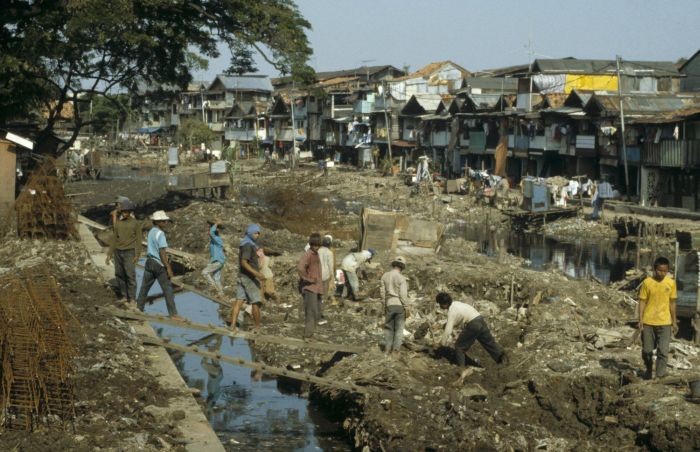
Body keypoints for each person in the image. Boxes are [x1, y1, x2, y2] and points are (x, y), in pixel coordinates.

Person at [435, 292, 507, 367]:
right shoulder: (457, 304)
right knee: (489, 343)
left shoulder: (451, 311)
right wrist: (443, 326)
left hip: (473, 325)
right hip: (480, 320)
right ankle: (502, 360)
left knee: (459, 347)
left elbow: (448, 331)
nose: (440, 306)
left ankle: (461, 368)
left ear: (444, 304)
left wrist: (441, 344)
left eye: (440, 304)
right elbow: (456, 321)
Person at [136, 210, 181, 319]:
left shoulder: (151, 231)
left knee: (144, 288)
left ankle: (139, 308)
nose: (165, 223)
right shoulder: (161, 234)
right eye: (164, 221)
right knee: (168, 289)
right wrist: (168, 267)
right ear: (158, 222)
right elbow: (162, 252)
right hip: (158, 264)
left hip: (149, 262)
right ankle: (173, 314)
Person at [639, 256, 678, 380]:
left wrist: (674, 321)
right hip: (648, 321)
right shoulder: (647, 283)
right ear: (654, 269)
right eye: (659, 270)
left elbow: (672, 303)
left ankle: (660, 375)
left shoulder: (671, 283)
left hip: (665, 321)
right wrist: (640, 319)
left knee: (663, 350)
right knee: (647, 351)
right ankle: (649, 370)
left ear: (668, 271)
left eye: (665, 271)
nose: (662, 273)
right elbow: (642, 301)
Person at [230, 224, 266, 331]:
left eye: (258, 233)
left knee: (239, 301)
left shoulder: (246, 243)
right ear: (250, 233)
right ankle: (258, 327)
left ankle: (232, 325)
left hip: (241, 276)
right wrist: (257, 274)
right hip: (248, 278)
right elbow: (244, 262)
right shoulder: (248, 246)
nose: (257, 235)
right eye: (255, 233)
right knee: (256, 302)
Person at [106, 199, 141, 305]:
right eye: (122, 211)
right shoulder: (118, 224)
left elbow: (139, 240)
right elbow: (114, 239)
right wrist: (109, 254)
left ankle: (133, 298)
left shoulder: (135, 224)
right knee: (119, 274)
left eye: (126, 211)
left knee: (130, 275)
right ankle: (124, 296)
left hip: (129, 252)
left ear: (130, 211)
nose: (124, 213)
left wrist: (137, 254)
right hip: (118, 252)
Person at [380, 256, 408, 355]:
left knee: (388, 328)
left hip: (389, 304)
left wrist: (384, 305)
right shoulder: (402, 278)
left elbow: (382, 293)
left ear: (393, 264)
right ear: (402, 267)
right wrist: (407, 307)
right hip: (399, 305)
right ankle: (395, 351)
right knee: (399, 329)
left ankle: (387, 349)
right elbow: (403, 295)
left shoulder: (385, 276)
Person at [297, 233, 323, 338]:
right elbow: (300, 268)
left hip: (317, 287)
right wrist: (308, 279)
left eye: (318, 245)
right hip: (310, 288)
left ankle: (311, 333)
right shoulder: (308, 254)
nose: (316, 247)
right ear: (311, 244)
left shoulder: (317, 254)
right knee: (311, 312)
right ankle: (307, 335)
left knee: (317, 312)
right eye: (314, 245)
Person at [202, 218, 226, 295]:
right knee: (216, 278)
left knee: (204, 272)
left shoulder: (217, 239)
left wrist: (216, 224)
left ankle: (213, 287)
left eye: (208, 230)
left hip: (218, 261)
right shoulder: (214, 240)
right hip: (219, 261)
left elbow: (211, 233)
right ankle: (221, 293)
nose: (207, 232)